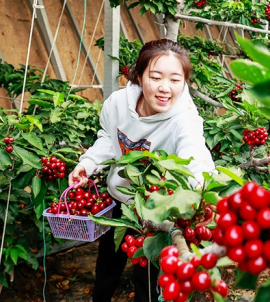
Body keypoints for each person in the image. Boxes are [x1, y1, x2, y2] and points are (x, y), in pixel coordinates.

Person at [68, 38, 216, 302]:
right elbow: (107, 136)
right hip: (120, 203)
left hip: (155, 210)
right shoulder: (116, 104)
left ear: (184, 82)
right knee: (107, 267)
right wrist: (88, 163)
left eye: (175, 80)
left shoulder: (185, 119)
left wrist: (202, 192)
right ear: (138, 75)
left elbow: (195, 152)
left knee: (146, 278)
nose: (164, 88)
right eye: (156, 77)